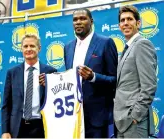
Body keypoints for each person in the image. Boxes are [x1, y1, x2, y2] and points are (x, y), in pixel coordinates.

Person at [64, 8, 118, 138]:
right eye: (75, 20)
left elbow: (116, 80)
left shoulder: (106, 43)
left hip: (98, 118)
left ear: (91, 21)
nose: (78, 22)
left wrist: (93, 77)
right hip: (74, 117)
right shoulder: (68, 47)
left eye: (82, 18)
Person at [1, 34, 57, 138]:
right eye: (25, 46)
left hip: (42, 127)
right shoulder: (12, 73)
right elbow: (6, 105)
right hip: (18, 127)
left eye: (32, 46)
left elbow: (55, 101)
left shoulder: (50, 72)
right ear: (21, 49)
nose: (28, 49)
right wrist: (5, 131)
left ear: (39, 48)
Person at [114, 5, 157, 138]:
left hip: (134, 122)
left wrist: (135, 116)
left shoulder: (142, 44)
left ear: (138, 23)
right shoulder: (127, 48)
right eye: (122, 20)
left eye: (129, 19)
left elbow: (149, 86)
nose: (125, 23)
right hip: (121, 121)